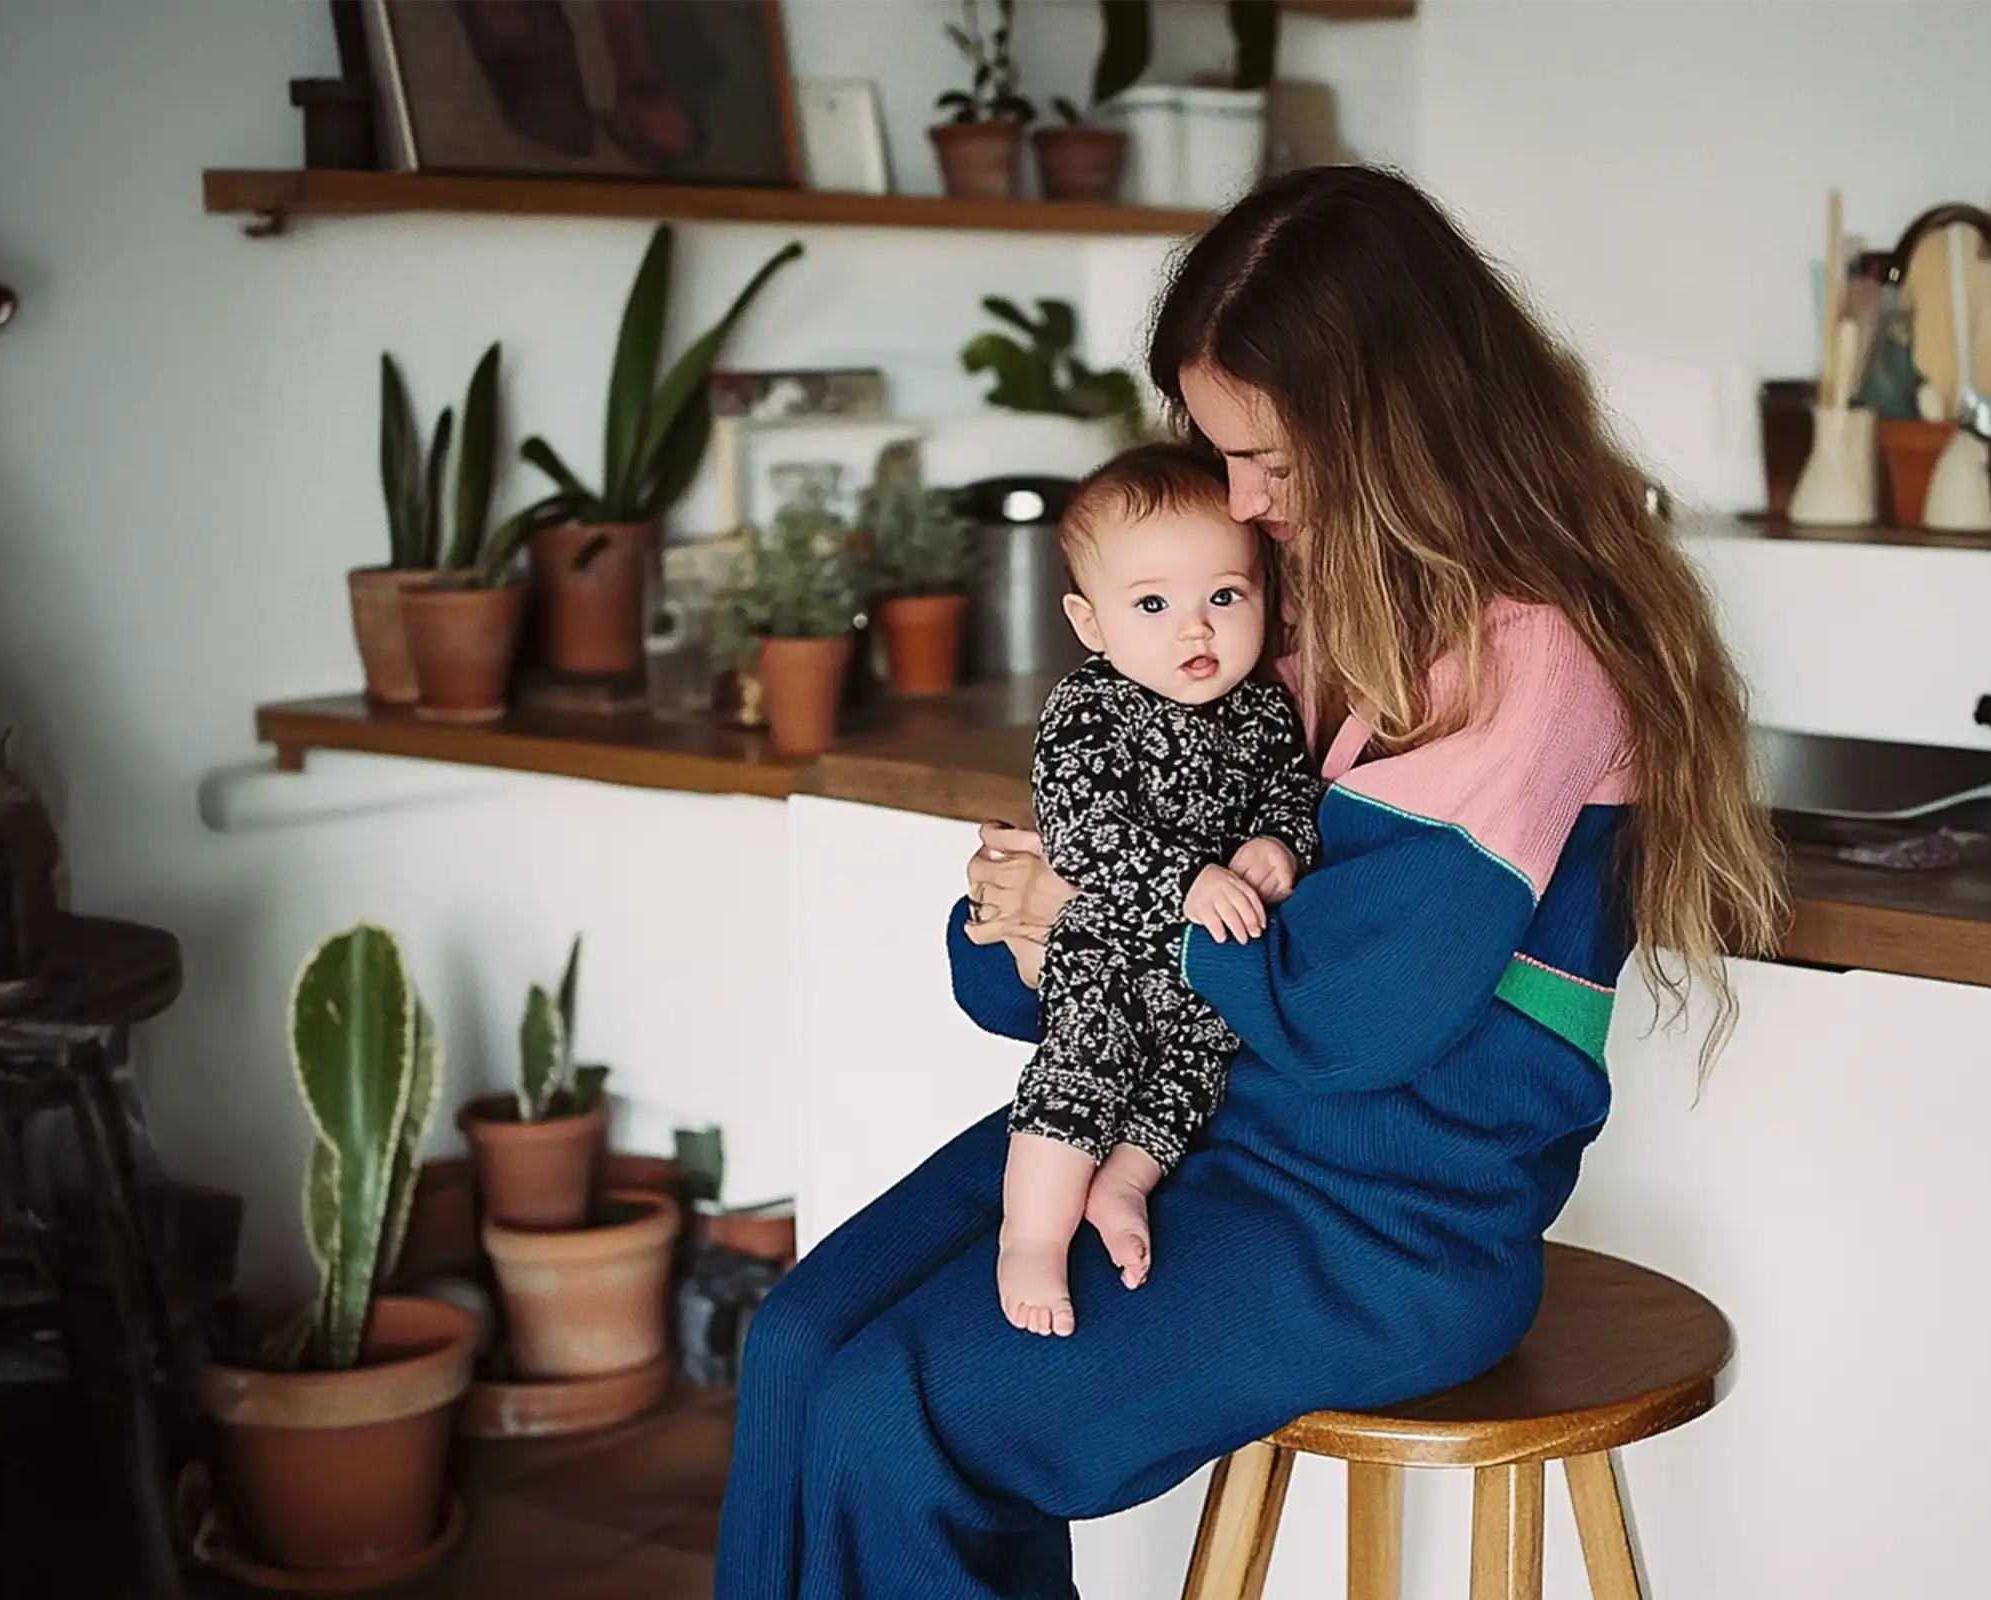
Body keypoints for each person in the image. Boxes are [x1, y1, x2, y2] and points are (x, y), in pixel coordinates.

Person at [714, 164, 1788, 1599]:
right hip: (1192, 1134)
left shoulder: (1530, 657)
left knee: (894, 1417)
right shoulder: (1277, 614)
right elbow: (1037, 968)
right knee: (795, 1346)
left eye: (1273, 459)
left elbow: (1349, 1013)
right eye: (1220, 454)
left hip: (1381, 1227)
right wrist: (1024, 920)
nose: (1239, 502)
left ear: (1405, 425)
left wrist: (1100, 910)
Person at [997, 443, 1322, 1338]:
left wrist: (1276, 846)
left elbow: (1289, 793)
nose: (1197, 631)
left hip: (1207, 980)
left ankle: (1123, 1186)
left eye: (1225, 596)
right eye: (1153, 604)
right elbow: (1082, 829)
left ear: (1265, 595)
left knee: (1190, 1082)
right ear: (1090, 620)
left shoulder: (1260, 712)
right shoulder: (1089, 708)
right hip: (1110, 955)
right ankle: (1030, 1237)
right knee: (1082, 1073)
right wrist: (1186, 880)